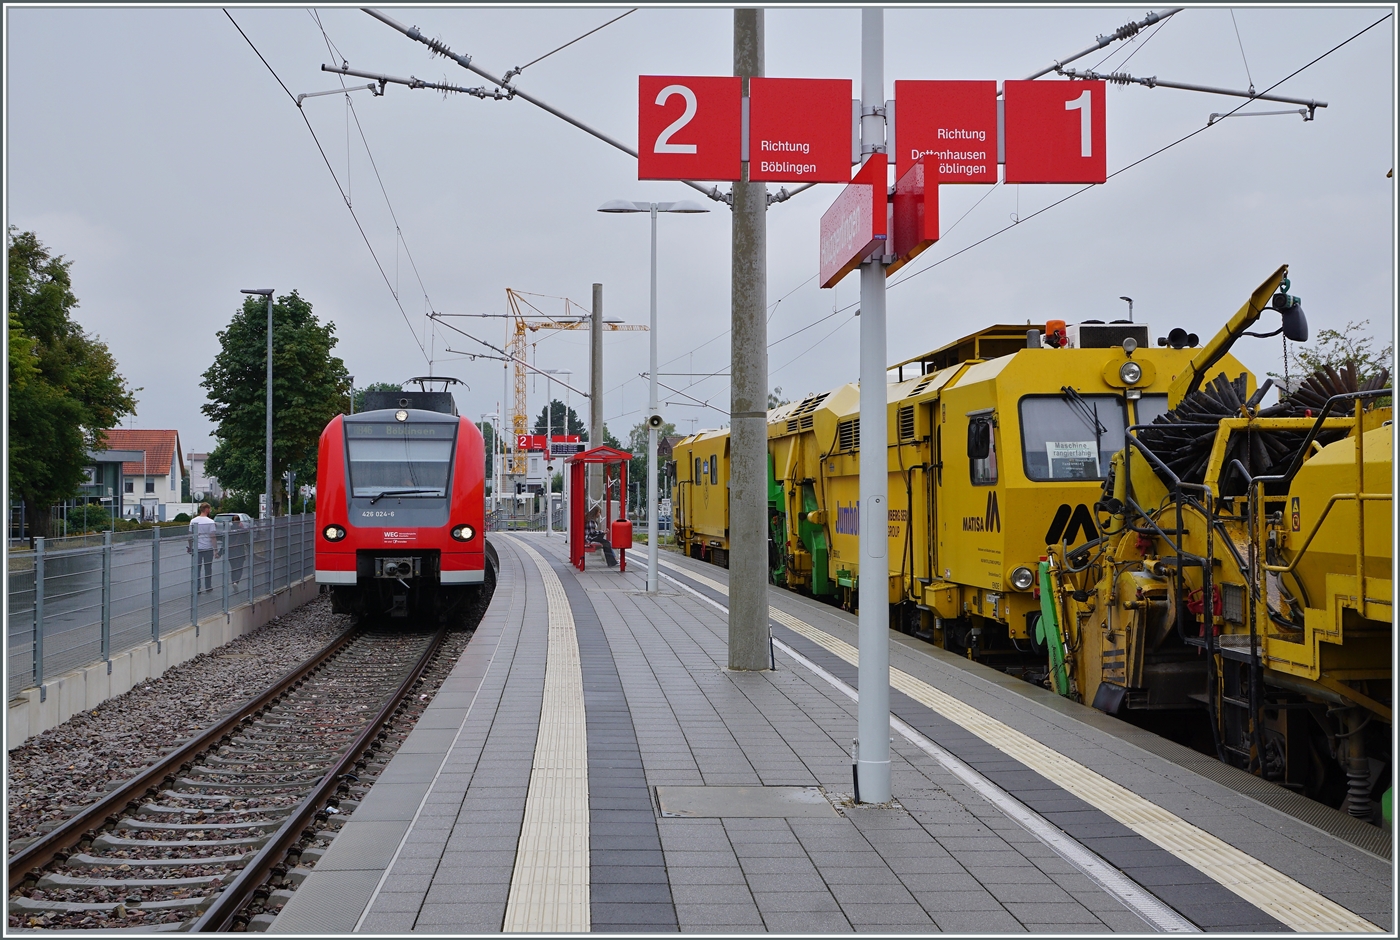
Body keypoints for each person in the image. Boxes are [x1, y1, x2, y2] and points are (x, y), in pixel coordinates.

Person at [187, 503, 217, 594]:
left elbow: (190, 536)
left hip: (197, 548)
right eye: (210, 509)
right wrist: (215, 549)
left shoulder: (193, 521)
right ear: (207, 509)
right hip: (207, 548)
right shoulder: (210, 522)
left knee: (197, 569)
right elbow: (213, 536)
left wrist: (190, 547)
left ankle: (197, 588)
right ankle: (208, 586)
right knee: (208, 568)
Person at [227, 516, 248, 591]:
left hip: (231, 553)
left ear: (232, 522)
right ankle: (236, 582)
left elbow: (225, 543)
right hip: (240, 552)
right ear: (239, 522)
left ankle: (233, 582)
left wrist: (219, 553)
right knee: (240, 568)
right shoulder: (242, 531)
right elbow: (246, 541)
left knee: (233, 569)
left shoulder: (228, 531)